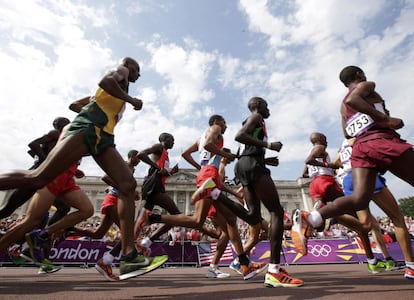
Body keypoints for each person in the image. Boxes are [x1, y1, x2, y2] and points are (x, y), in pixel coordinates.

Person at [0, 57, 155, 278]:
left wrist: (94, 101)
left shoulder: (118, 89)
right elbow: (105, 81)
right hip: (88, 128)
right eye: (137, 70)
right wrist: (130, 100)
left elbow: (76, 104)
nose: (139, 75)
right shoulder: (121, 72)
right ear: (129, 67)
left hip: (103, 137)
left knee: (128, 184)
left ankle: (129, 255)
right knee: (37, 178)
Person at [291, 66, 414, 280]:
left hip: (361, 148)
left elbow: (348, 132)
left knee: (358, 199)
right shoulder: (366, 86)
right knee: (392, 216)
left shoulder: (341, 108)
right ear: (358, 75)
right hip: (380, 140)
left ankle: (312, 217)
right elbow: (353, 100)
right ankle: (410, 265)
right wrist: (385, 120)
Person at [145, 115, 268, 280]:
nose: (225, 126)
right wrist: (225, 156)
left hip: (207, 174)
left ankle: (244, 263)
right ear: (217, 122)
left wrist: (199, 168)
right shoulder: (215, 129)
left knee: (230, 220)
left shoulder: (199, 138)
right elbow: (210, 145)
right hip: (210, 175)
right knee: (198, 221)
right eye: (224, 122)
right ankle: (154, 217)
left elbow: (185, 154)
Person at [214, 97, 303, 288]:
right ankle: (274, 270)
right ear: (259, 106)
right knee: (276, 212)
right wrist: (268, 146)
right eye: (266, 106)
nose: (268, 109)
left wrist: (267, 159)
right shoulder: (256, 117)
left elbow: (246, 148)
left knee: (252, 216)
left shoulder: (255, 122)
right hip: (252, 166)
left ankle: (215, 195)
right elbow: (239, 136)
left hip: (245, 165)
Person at [301, 132, 397, 273]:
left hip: (314, 184)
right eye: (325, 139)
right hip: (325, 181)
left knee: (342, 222)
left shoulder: (315, 150)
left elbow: (305, 173)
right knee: (361, 222)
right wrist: (329, 166)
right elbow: (309, 160)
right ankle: (371, 260)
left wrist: (323, 168)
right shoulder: (319, 147)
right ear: (320, 139)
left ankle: (321, 217)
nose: (326, 141)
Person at [335, 137, 406, 269]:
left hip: (348, 181)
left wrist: (340, 168)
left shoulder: (343, 144)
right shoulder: (359, 137)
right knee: (397, 218)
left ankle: (386, 259)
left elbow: (336, 162)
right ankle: (410, 264)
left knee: (370, 225)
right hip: (363, 174)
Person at [73, 149, 140, 281]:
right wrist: (123, 189)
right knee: (129, 233)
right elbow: (106, 177)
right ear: (131, 156)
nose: (139, 161)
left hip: (115, 200)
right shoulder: (125, 166)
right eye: (138, 158)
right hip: (114, 201)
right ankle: (106, 261)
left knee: (98, 234)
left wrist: (131, 193)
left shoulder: (131, 169)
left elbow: (118, 184)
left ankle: (67, 230)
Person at [0, 117, 70, 219]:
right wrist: (47, 160)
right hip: (37, 173)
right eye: (66, 122)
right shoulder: (55, 133)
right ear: (58, 124)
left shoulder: (63, 138)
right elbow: (33, 144)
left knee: (64, 208)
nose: (69, 124)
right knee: (8, 210)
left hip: (46, 177)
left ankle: (46, 233)